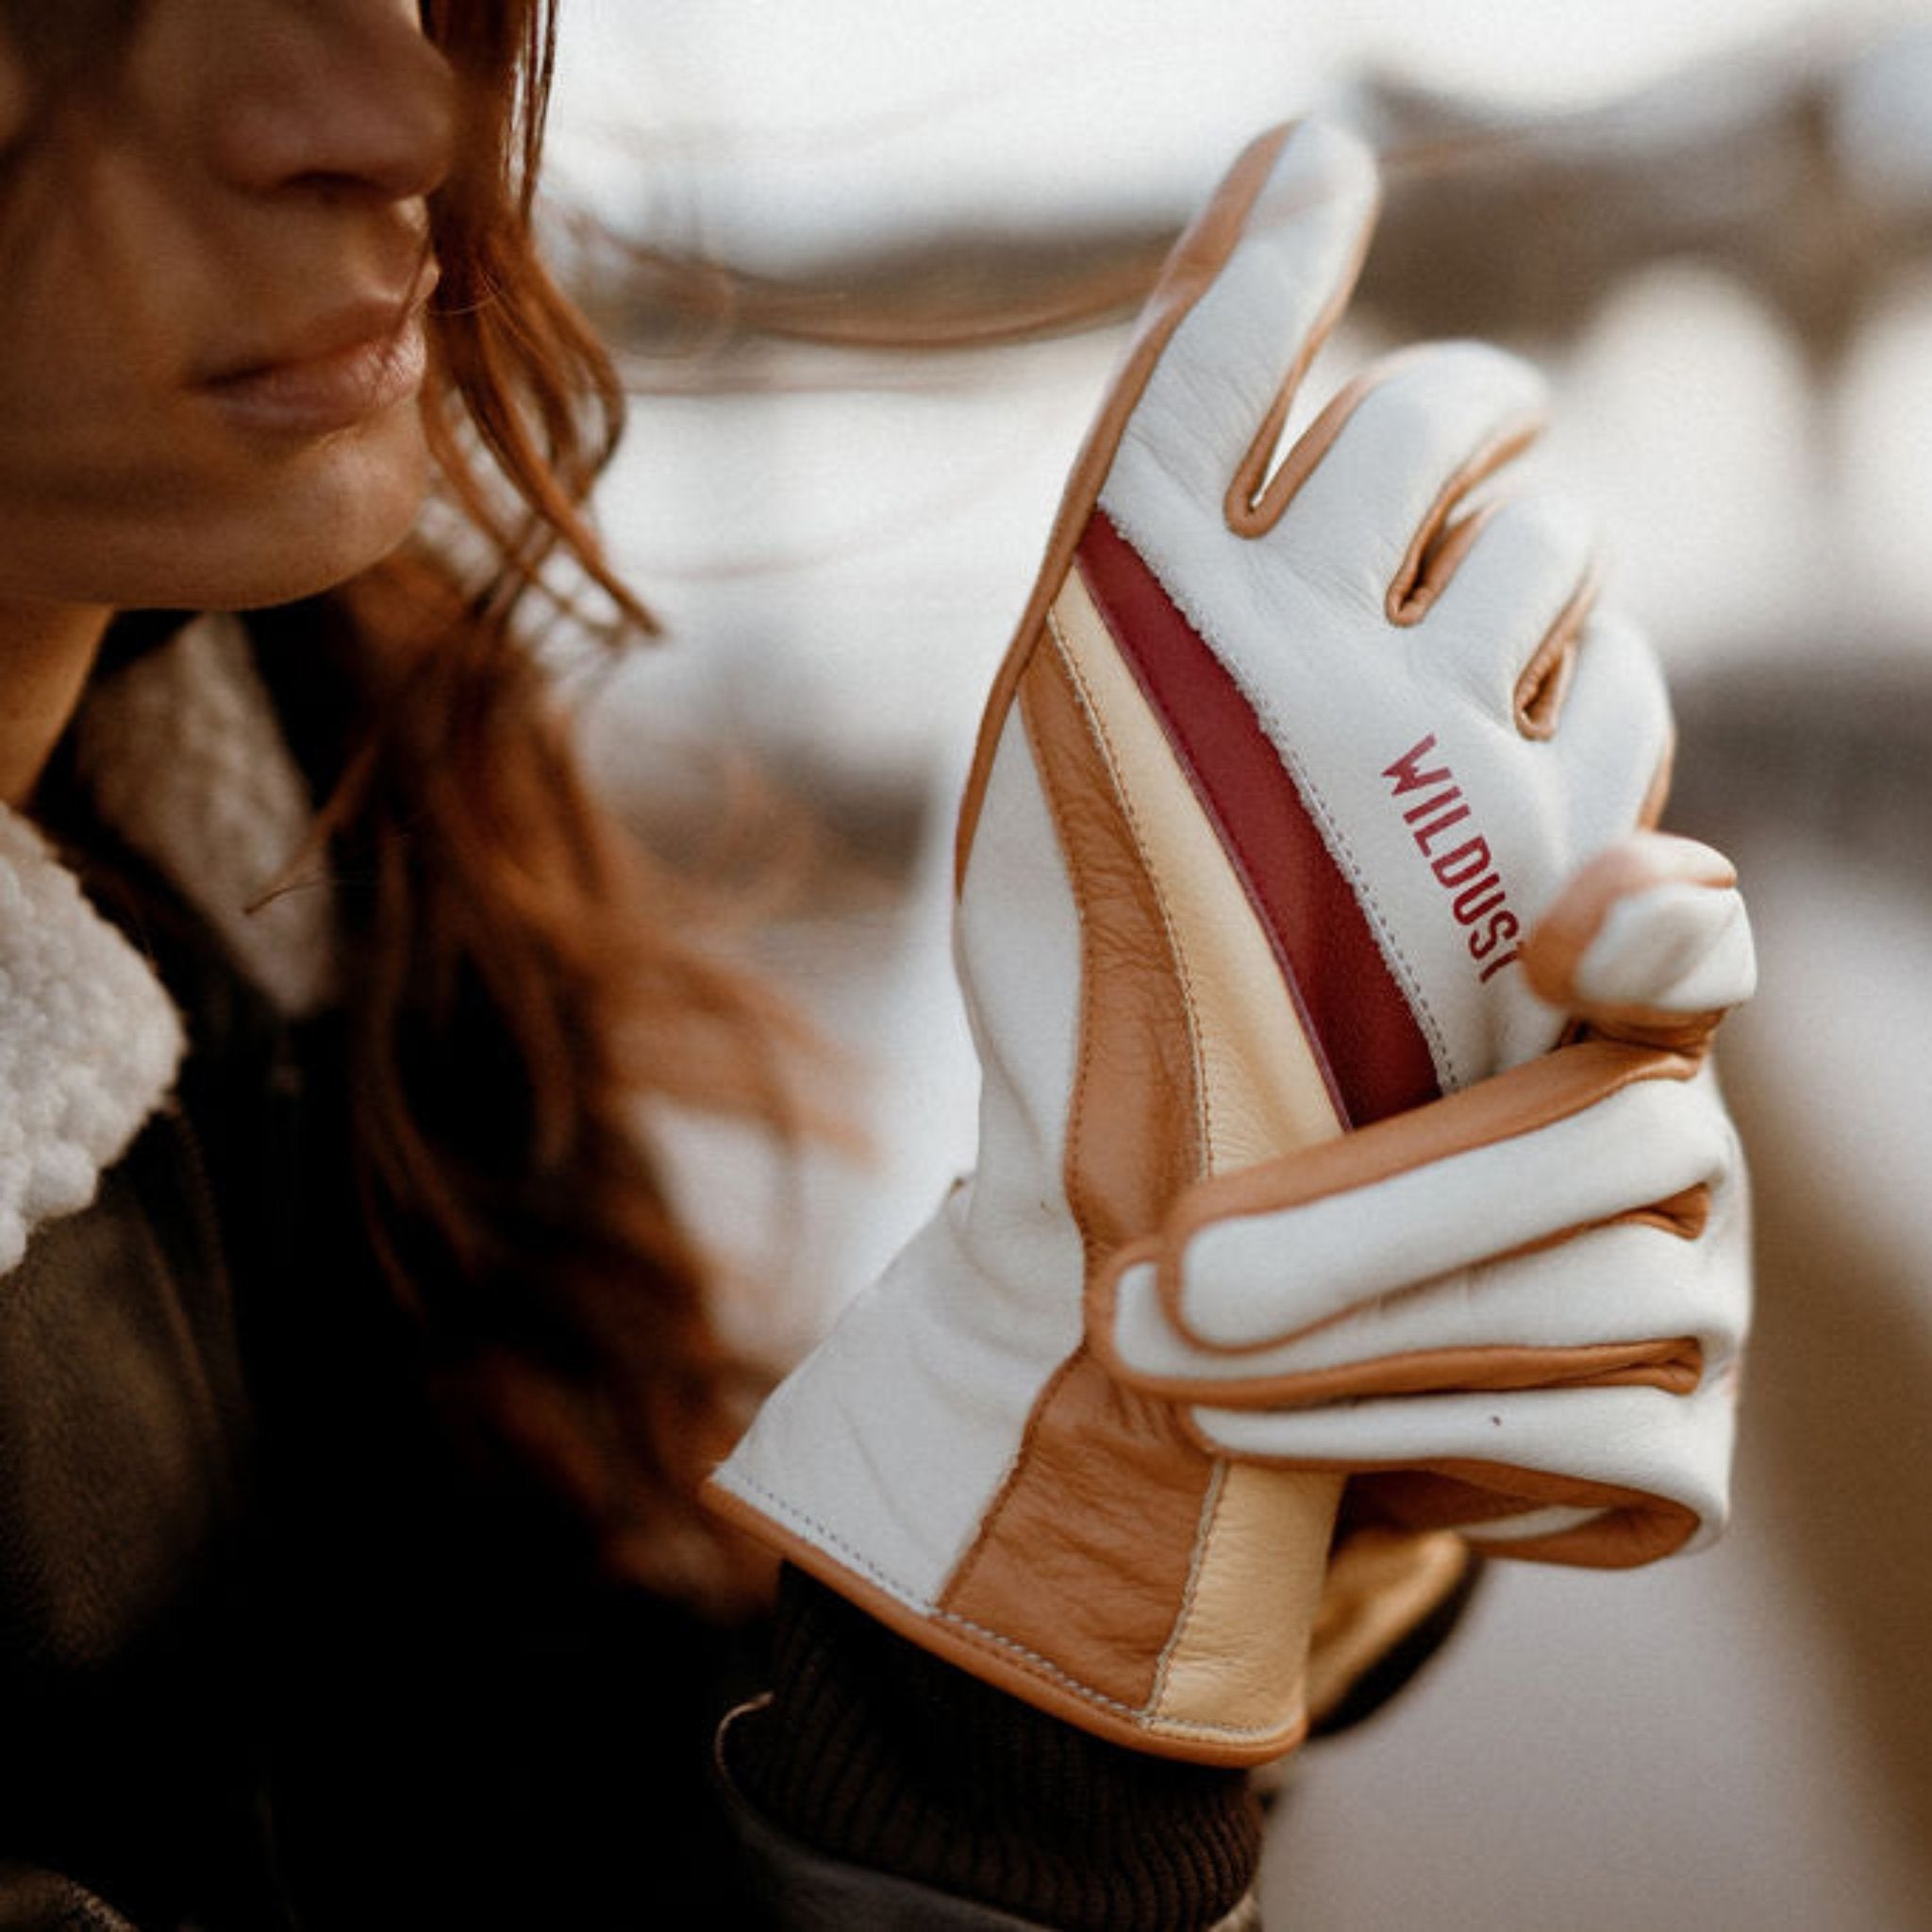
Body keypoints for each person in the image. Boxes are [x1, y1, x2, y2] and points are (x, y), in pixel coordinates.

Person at [0, 6, 1753, 1930]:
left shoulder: (323, 853)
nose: (395, 100)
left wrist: (1154, 1508)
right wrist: (1011, 1789)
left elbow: (482, 1829)